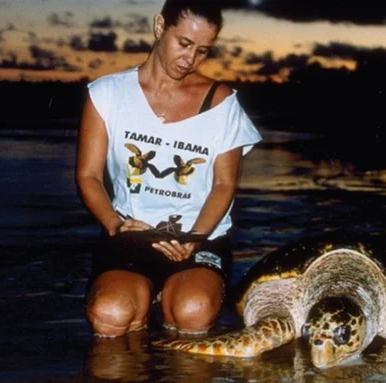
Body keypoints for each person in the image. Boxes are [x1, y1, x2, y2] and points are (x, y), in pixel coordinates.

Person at [75, 0, 262, 338]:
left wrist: (194, 239)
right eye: (184, 44)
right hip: (130, 233)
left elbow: (223, 185)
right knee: (111, 313)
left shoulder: (222, 104)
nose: (190, 59)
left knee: (192, 311)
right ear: (160, 26)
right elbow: (88, 176)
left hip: (199, 238)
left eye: (203, 51)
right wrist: (116, 226)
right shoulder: (107, 94)